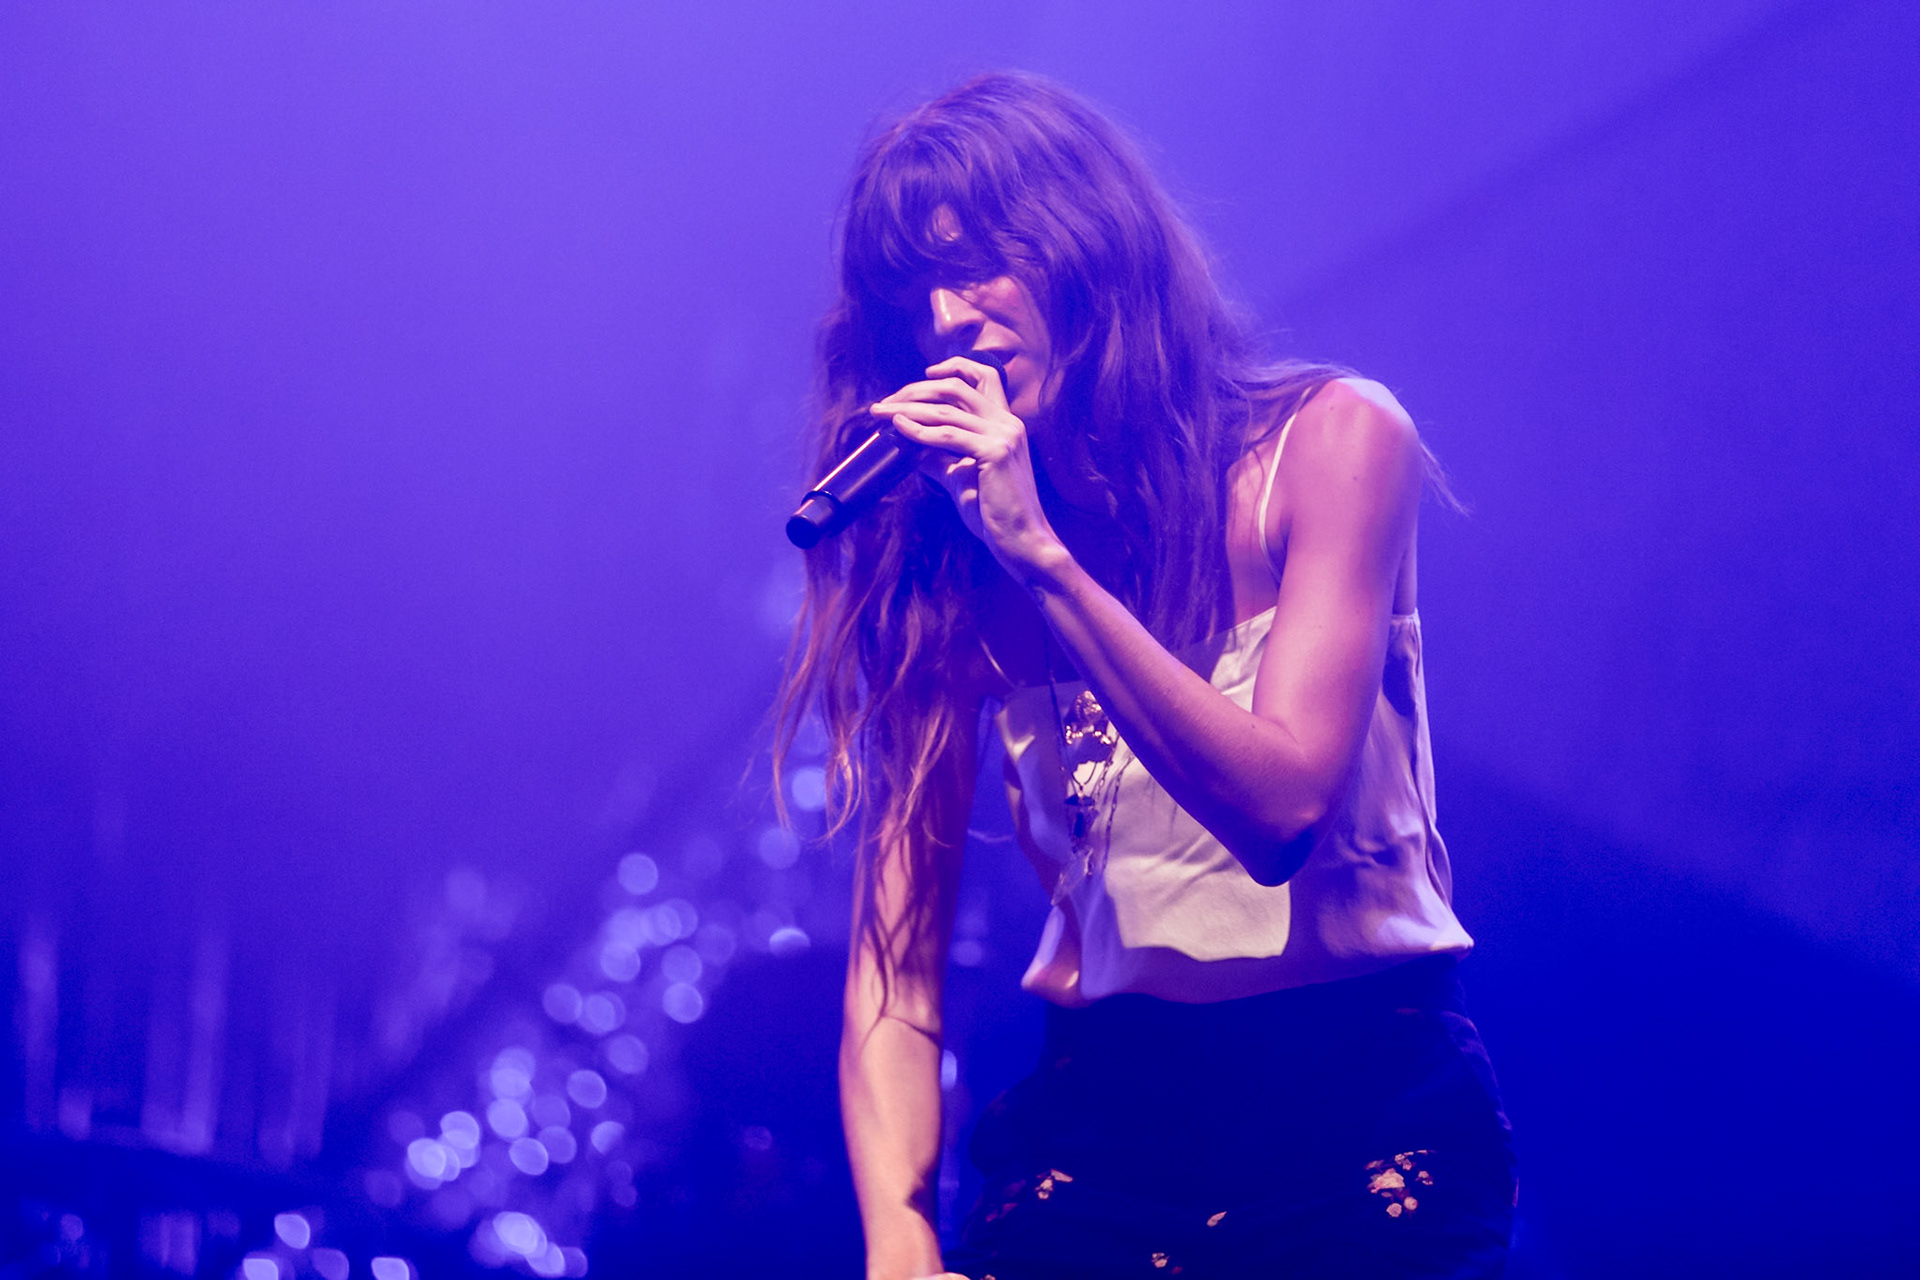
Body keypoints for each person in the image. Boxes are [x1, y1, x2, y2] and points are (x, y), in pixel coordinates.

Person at [776, 72, 1515, 1280]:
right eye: (920, 300)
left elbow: (1278, 813)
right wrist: (898, 1241)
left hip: (1363, 1118)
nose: (953, 320)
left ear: (1089, 251)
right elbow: (895, 961)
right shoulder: (950, 557)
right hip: (1105, 1124)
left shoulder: (1332, 444)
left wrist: (1046, 564)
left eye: (982, 267)